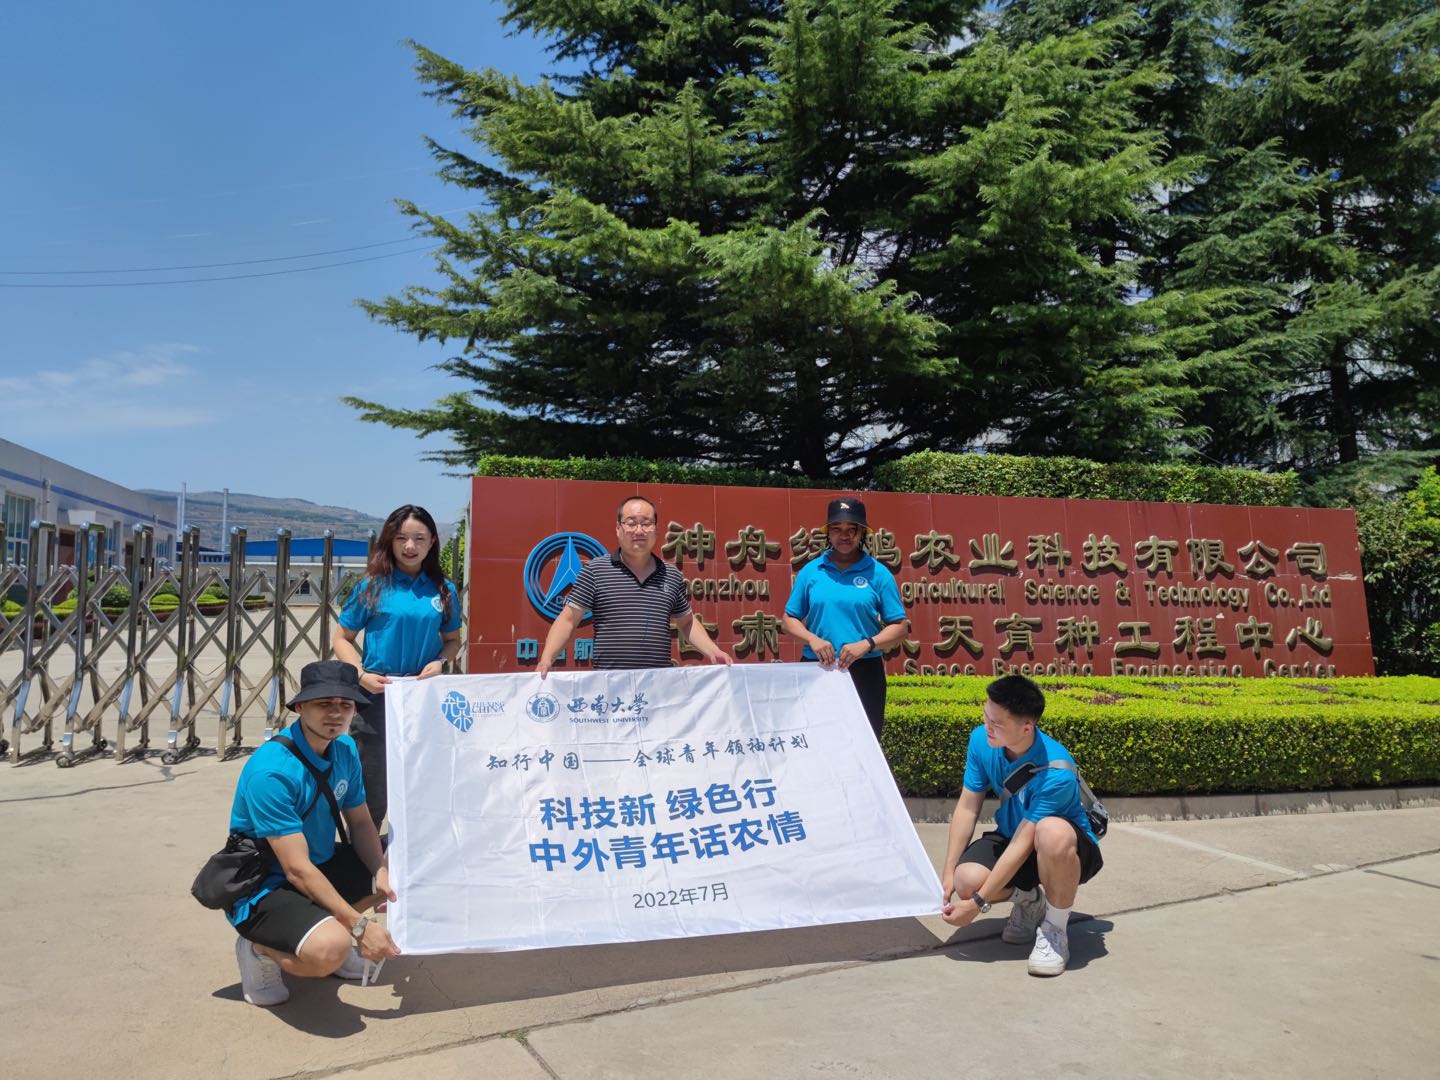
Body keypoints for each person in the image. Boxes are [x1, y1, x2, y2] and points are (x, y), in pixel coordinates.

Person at [226, 660, 401, 1007]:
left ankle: (326, 925)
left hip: (319, 865)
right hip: (266, 885)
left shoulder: (344, 749)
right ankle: (259, 948)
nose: (335, 714)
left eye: (345, 705)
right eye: (324, 704)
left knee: (400, 863)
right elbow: (296, 869)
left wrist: (381, 871)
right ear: (300, 707)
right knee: (330, 950)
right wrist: (360, 927)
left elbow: (361, 822)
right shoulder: (272, 772)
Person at [939, 674, 1104, 977]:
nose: (987, 726)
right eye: (985, 716)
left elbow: (1024, 842)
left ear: (1027, 727)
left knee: (1051, 831)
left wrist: (977, 904)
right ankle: (1030, 900)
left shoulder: (1057, 770)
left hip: (1064, 849)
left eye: (996, 723)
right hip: (1012, 835)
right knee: (966, 880)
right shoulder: (981, 740)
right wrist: (949, 872)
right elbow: (967, 806)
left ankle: (1055, 929)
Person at [334, 504, 462, 829]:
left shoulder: (443, 589)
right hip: (377, 697)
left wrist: (440, 662)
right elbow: (342, 639)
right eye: (402, 538)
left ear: (432, 541)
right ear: (389, 540)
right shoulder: (372, 586)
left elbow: (452, 641)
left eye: (419, 538)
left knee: (423, 781)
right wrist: (361, 675)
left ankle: (414, 852)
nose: (410, 546)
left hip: (424, 698)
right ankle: (367, 854)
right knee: (373, 786)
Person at [537, 495, 732, 674]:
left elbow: (687, 622)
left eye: (646, 524)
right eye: (631, 523)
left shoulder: (671, 575)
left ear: (656, 529)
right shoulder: (595, 571)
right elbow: (568, 620)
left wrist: (713, 651)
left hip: (657, 685)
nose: (639, 531)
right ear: (618, 528)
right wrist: (547, 659)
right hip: (610, 685)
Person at [780, 497, 906, 738]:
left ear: (862, 533)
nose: (844, 536)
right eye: (837, 529)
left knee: (864, 741)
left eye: (852, 529)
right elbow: (788, 620)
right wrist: (812, 640)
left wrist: (867, 644)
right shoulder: (811, 571)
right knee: (814, 740)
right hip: (817, 669)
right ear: (828, 533)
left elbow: (900, 627)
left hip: (865, 671)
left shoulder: (878, 573)